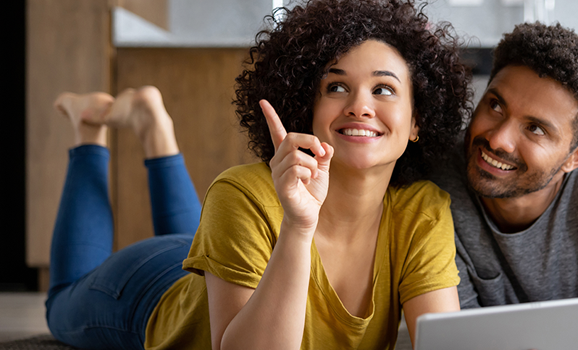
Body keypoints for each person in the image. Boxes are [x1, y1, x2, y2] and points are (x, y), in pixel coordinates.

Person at [44, 0, 472, 349]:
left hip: (226, 262)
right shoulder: (242, 192)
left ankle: (153, 125)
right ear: (308, 108)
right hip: (148, 295)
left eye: (384, 89)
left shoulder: (424, 210)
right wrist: (299, 226)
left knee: (207, 243)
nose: (360, 106)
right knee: (62, 302)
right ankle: (89, 128)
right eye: (336, 87)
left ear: (417, 121)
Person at [430, 23, 578, 349]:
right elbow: (455, 333)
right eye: (495, 106)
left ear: (576, 157)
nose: (498, 139)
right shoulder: (437, 180)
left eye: (535, 129)